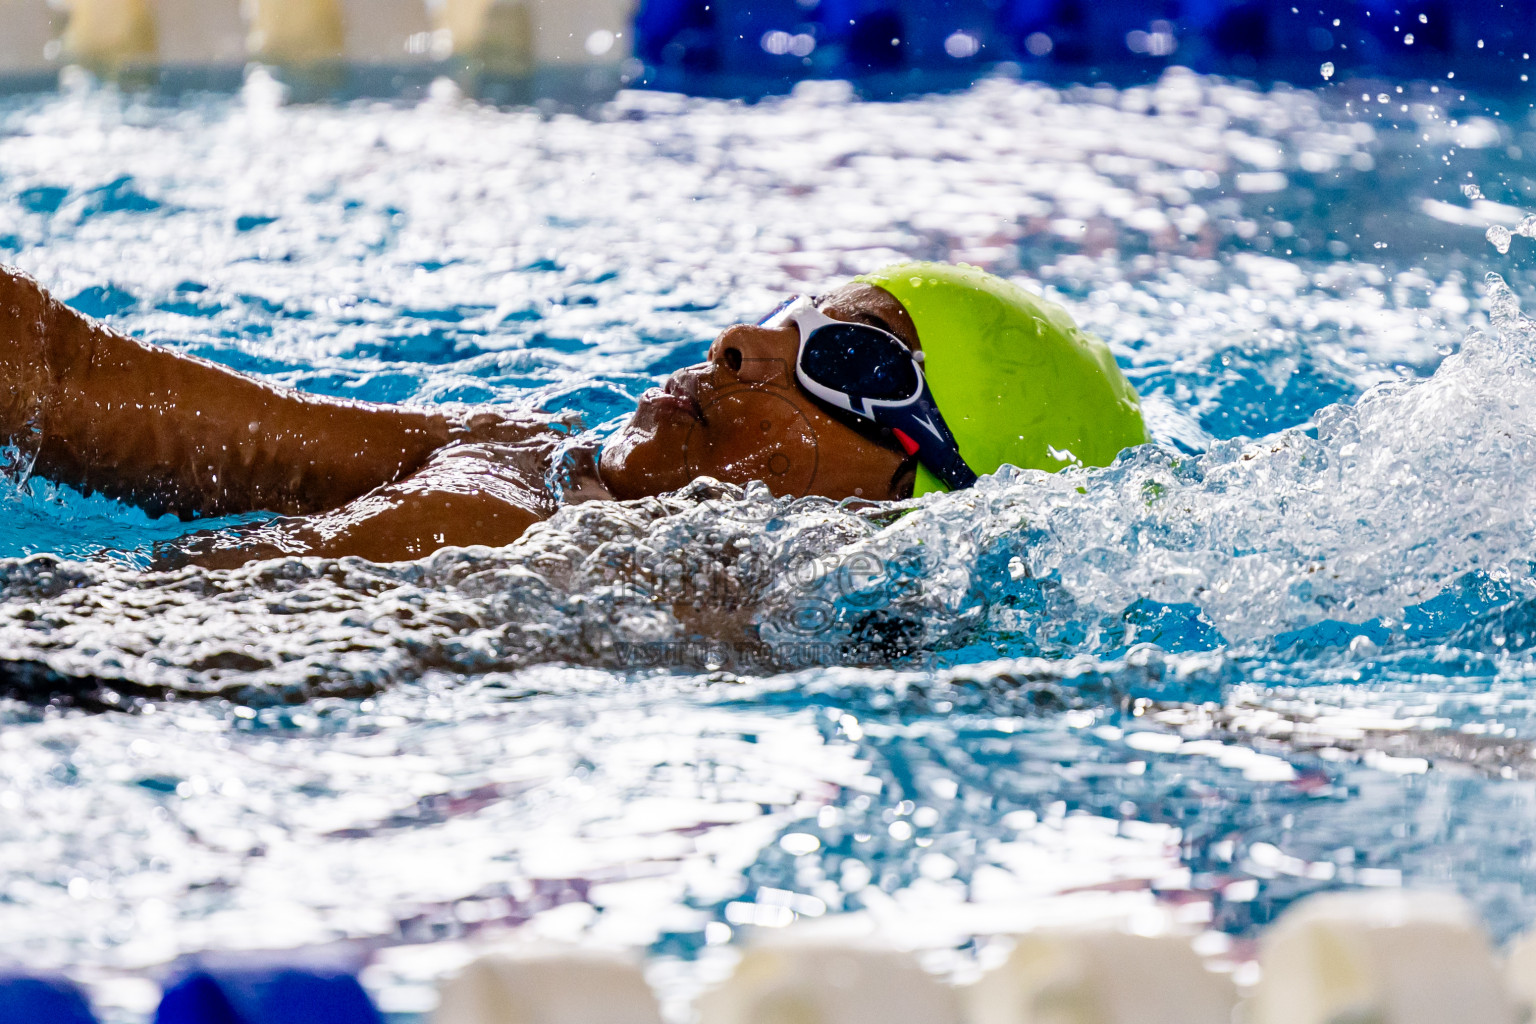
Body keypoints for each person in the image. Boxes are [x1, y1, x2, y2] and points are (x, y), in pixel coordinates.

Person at [0, 261, 1149, 567]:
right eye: (776, 320)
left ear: (925, 493)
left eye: (842, 358)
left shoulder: (730, 621)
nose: (739, 345)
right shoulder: (504, 453)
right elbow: (66, 383)